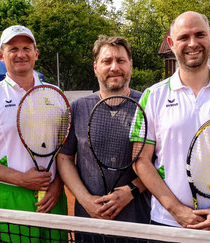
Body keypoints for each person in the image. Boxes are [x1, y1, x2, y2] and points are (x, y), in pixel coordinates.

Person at [131, 11, 210, 233]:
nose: (192, 43)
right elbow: (140, 160)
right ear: (171, 43)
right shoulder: (153, 95)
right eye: (183, 37)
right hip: (168, 222)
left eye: (200, 35)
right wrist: (176, 209)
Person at [0, 25, 67, 242]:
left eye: (26, 48)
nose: (21, 54)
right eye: (13, 49)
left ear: (36, 53)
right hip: (10, 197)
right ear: (1, 55)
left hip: (53, 198)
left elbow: (65, 150)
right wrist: (21, 179)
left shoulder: (56, 94)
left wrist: (58, 185)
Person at [56, 35, 150, 241]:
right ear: (95, 67)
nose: (114, 67)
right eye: (107, 61)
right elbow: (64, 158)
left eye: (121, 60)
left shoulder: (149, 104)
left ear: (131, 65)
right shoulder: (77, 108)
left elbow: (160, 162)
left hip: (139, 225)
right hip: (89, 224)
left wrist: (131, 191)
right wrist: (85, 199)